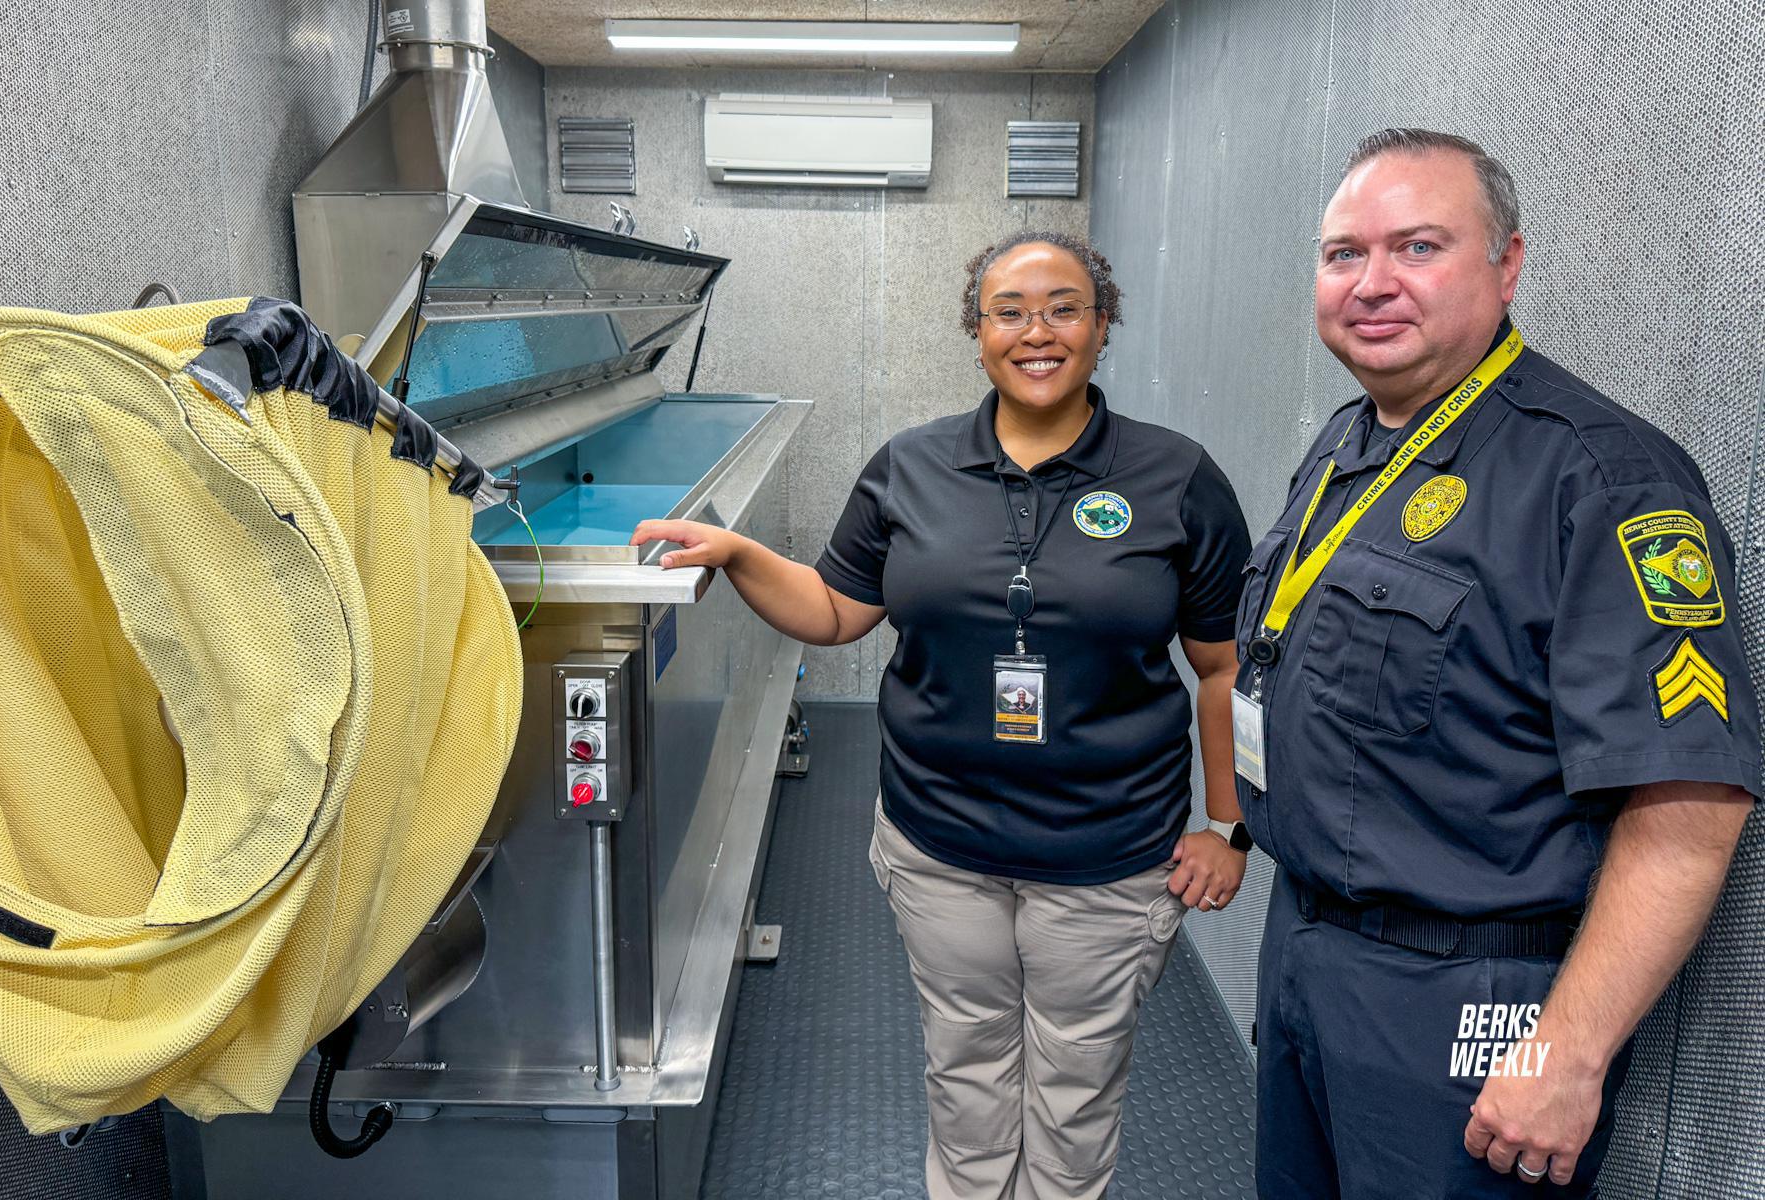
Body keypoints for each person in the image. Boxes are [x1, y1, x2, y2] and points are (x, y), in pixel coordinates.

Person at [633, 230, 1254, 1199]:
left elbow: (1221, 669)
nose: (1037, 331)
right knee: (965, 1076)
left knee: (1076, 1097)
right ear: (977, 331)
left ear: (1103, 325)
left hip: (1110, 859)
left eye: (1064, 308)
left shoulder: (1176, 478)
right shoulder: (909, 467)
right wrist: (742, 554)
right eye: (1010, 311)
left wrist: (1227, 825)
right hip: (941, 847)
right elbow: (835, 611)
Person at [1235, 128, 1761, 1199]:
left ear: (1506, 264)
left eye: (1418, 246)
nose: (1372, 283)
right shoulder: (1347, 443)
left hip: (1467, 998)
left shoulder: (1604, 481)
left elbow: (1689, 804)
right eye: (1344, 254)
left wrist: (1568, 1053)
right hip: (1309, 952)